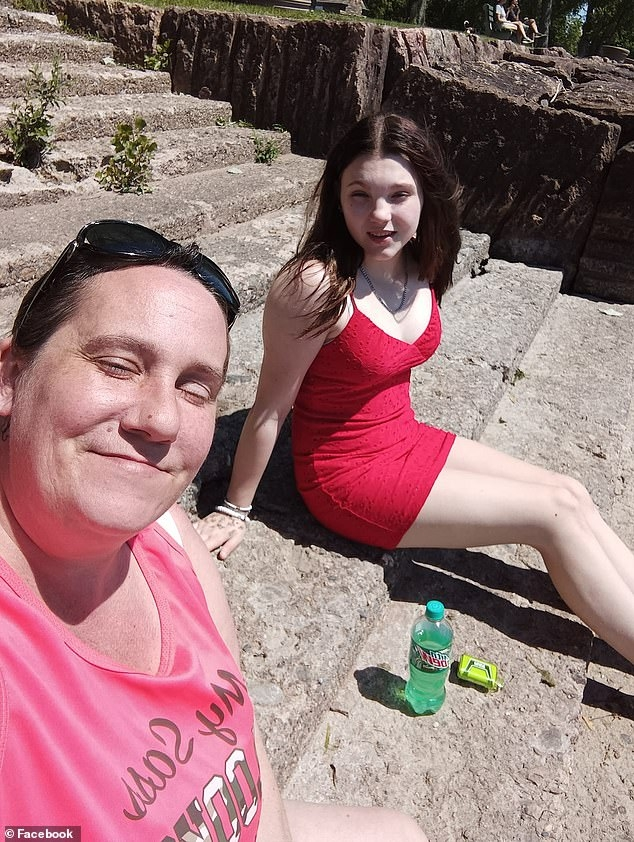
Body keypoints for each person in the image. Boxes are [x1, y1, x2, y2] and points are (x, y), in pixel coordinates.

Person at [0, 219, 427, 841]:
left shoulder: (168, 534)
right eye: (118, 365)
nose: (161, 420)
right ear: (10, 377)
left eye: (195, 388)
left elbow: (247, 749)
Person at [195, 112, 634, 668]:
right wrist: (234, 508)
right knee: (550, 516)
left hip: (406, 438)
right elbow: (269, 409)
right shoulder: (315, 285)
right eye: (360, 195)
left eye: (398, 195)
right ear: (337, 200)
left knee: (570, 493)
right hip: (347, 475)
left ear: (426, 196)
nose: (380, 215)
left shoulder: (420, 262)